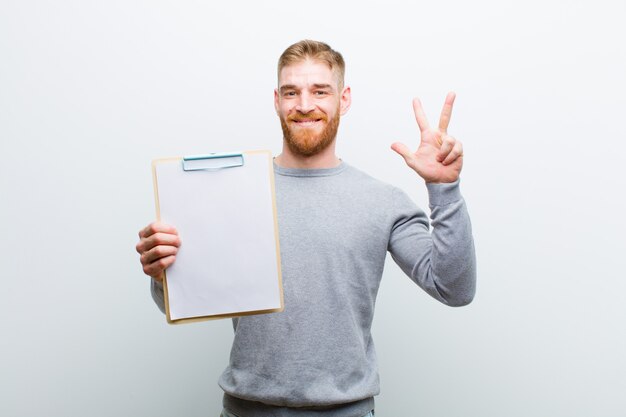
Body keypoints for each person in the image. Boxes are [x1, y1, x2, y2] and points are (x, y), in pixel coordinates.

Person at [136, 40, 476, 417]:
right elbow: (177, 301)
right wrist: (162, 270)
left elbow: (454, 289)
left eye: (320, 91)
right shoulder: (233, 191)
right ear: (276, 100)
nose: (303, 104)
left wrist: (444, 189)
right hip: (246, 410)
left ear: (343, 100)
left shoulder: (382, 201)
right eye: (291, 92)